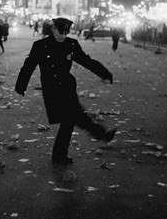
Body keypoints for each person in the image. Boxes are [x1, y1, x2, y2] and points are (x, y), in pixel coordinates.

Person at [15, 17, 116, 165]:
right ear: (53, 29)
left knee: (70, 120)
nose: (63, 35)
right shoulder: (41, 46)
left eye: (66, 32)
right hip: (52, 89)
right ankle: (99, 135)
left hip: (68, 87)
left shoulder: (71, 44)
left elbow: (86, 61)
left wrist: (104, 73)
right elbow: (29, 65)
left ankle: (62, 154)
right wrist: (21, 85)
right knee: (72, 119)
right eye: (61, 31)